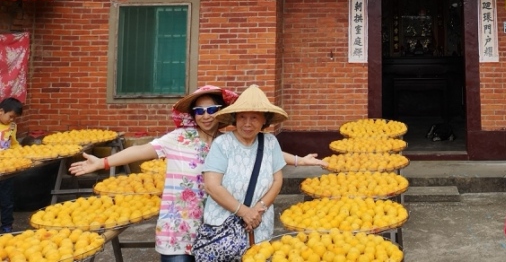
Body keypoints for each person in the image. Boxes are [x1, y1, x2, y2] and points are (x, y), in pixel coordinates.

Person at [70, 85, 324, 261]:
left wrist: (301, 160)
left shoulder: (230, 138)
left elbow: (269, 154)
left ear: (222, 112)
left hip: (218, 224)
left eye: (212, 110)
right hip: (180, 225)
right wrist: (102, 163)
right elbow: (143, 151)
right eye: (199, 111)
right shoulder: (180, 138)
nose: (205, 116)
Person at [201, 84, 287, 244]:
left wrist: (258, 209)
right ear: (235, 118)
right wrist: (244, 212)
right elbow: (212, 186)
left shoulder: (271, 142)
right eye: (242, 117)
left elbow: (277, 181)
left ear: (264, 120)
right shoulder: (222, 144)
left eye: (254, 117)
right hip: (223, 231)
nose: (247, 123)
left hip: (259, 225)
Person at [0, 97, 23, 233]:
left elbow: (13, 144)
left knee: (7, 200)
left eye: (14, 118)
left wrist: (23, 153)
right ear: (1, 111)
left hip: (7, 169)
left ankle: (7, 226)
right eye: (10, 116)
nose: (12, 120)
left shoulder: (12, 127)